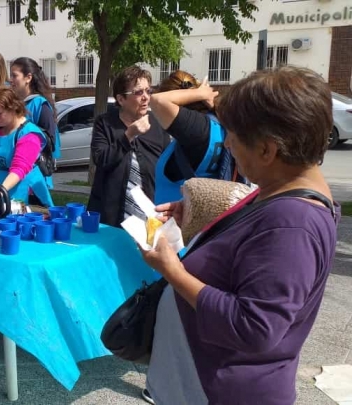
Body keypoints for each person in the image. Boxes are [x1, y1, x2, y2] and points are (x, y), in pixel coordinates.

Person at [141, 66, 338, 405]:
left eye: (233, 136)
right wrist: (201, 217)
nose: (227, 144)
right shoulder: (281, 192)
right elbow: (253, 241)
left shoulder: (294, 224)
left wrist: (172, 271)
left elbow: (254, 327)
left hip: (223, 391)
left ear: (267, 150)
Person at [88, 66, 170, 227]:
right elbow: (101, 159)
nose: (145, 97)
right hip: (111, 216)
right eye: (138, 92)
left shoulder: (157, 123)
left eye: (148, 91)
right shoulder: (105, 123)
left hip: (150, 214)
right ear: (121, 99)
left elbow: (167, 166)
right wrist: (128, 136)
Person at [151, 70, 248, 205]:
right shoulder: (220, 124)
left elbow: (158, 101)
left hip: (176, 220)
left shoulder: (196, 129)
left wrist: (201, 93)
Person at [0, 88, 53, 206]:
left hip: (21, 196)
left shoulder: (28, 134)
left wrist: (0, 191)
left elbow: (19, 169)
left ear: (13, 108)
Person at [9, 57, 60, 204]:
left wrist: (26, 136)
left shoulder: (40, 105)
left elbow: (50, 141)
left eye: (14, 75)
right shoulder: (14, 103)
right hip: (15, 172)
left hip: (33, 177)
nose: (11, 79)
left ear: (28, 78)